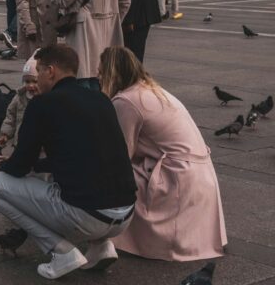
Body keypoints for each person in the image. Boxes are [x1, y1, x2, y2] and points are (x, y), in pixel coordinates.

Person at [0, 44, 136, 280]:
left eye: (40, 71)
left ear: (51, 71)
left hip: (88, 215)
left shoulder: (42, 104)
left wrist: (0, 165)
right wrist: (35, 165)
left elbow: (20, 165)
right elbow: (77, 158)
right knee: (88, 182)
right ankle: (101, 246)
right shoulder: (101, 99)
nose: (38, 78)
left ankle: (62, 252)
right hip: (125, 212)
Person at [95, 46, 229, 261]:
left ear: (113, 74)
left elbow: (120, 155)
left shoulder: (126, 101)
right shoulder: (153, 90)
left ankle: (102, 234)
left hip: (175, 177)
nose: (98, 78)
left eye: (101, 72)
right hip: (199, 174)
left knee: (107, 175)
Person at [50, 0, 130, 92]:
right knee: (100, 75)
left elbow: (63, 1)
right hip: (106, 32)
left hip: (84, 30)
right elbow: (126, 2)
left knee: (83, 74)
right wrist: (115, 20)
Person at [0, 52, 41, 150]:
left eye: (35, 81)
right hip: (20, 141)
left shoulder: (45, 97)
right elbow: (11, 115)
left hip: (38, 145)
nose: (30, 85)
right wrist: (5, 134)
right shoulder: (20, 96)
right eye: (27, 81)